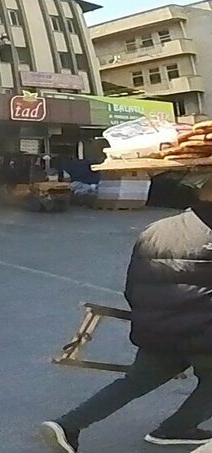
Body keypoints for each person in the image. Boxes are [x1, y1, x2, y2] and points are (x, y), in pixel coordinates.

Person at [41, 182, 212, 452]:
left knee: (136, 381)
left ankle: (67, 424)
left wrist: (153, 316)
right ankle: (175, 429)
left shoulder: (156, 229)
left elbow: (132, 286)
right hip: (204, 333)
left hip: (156, 328)